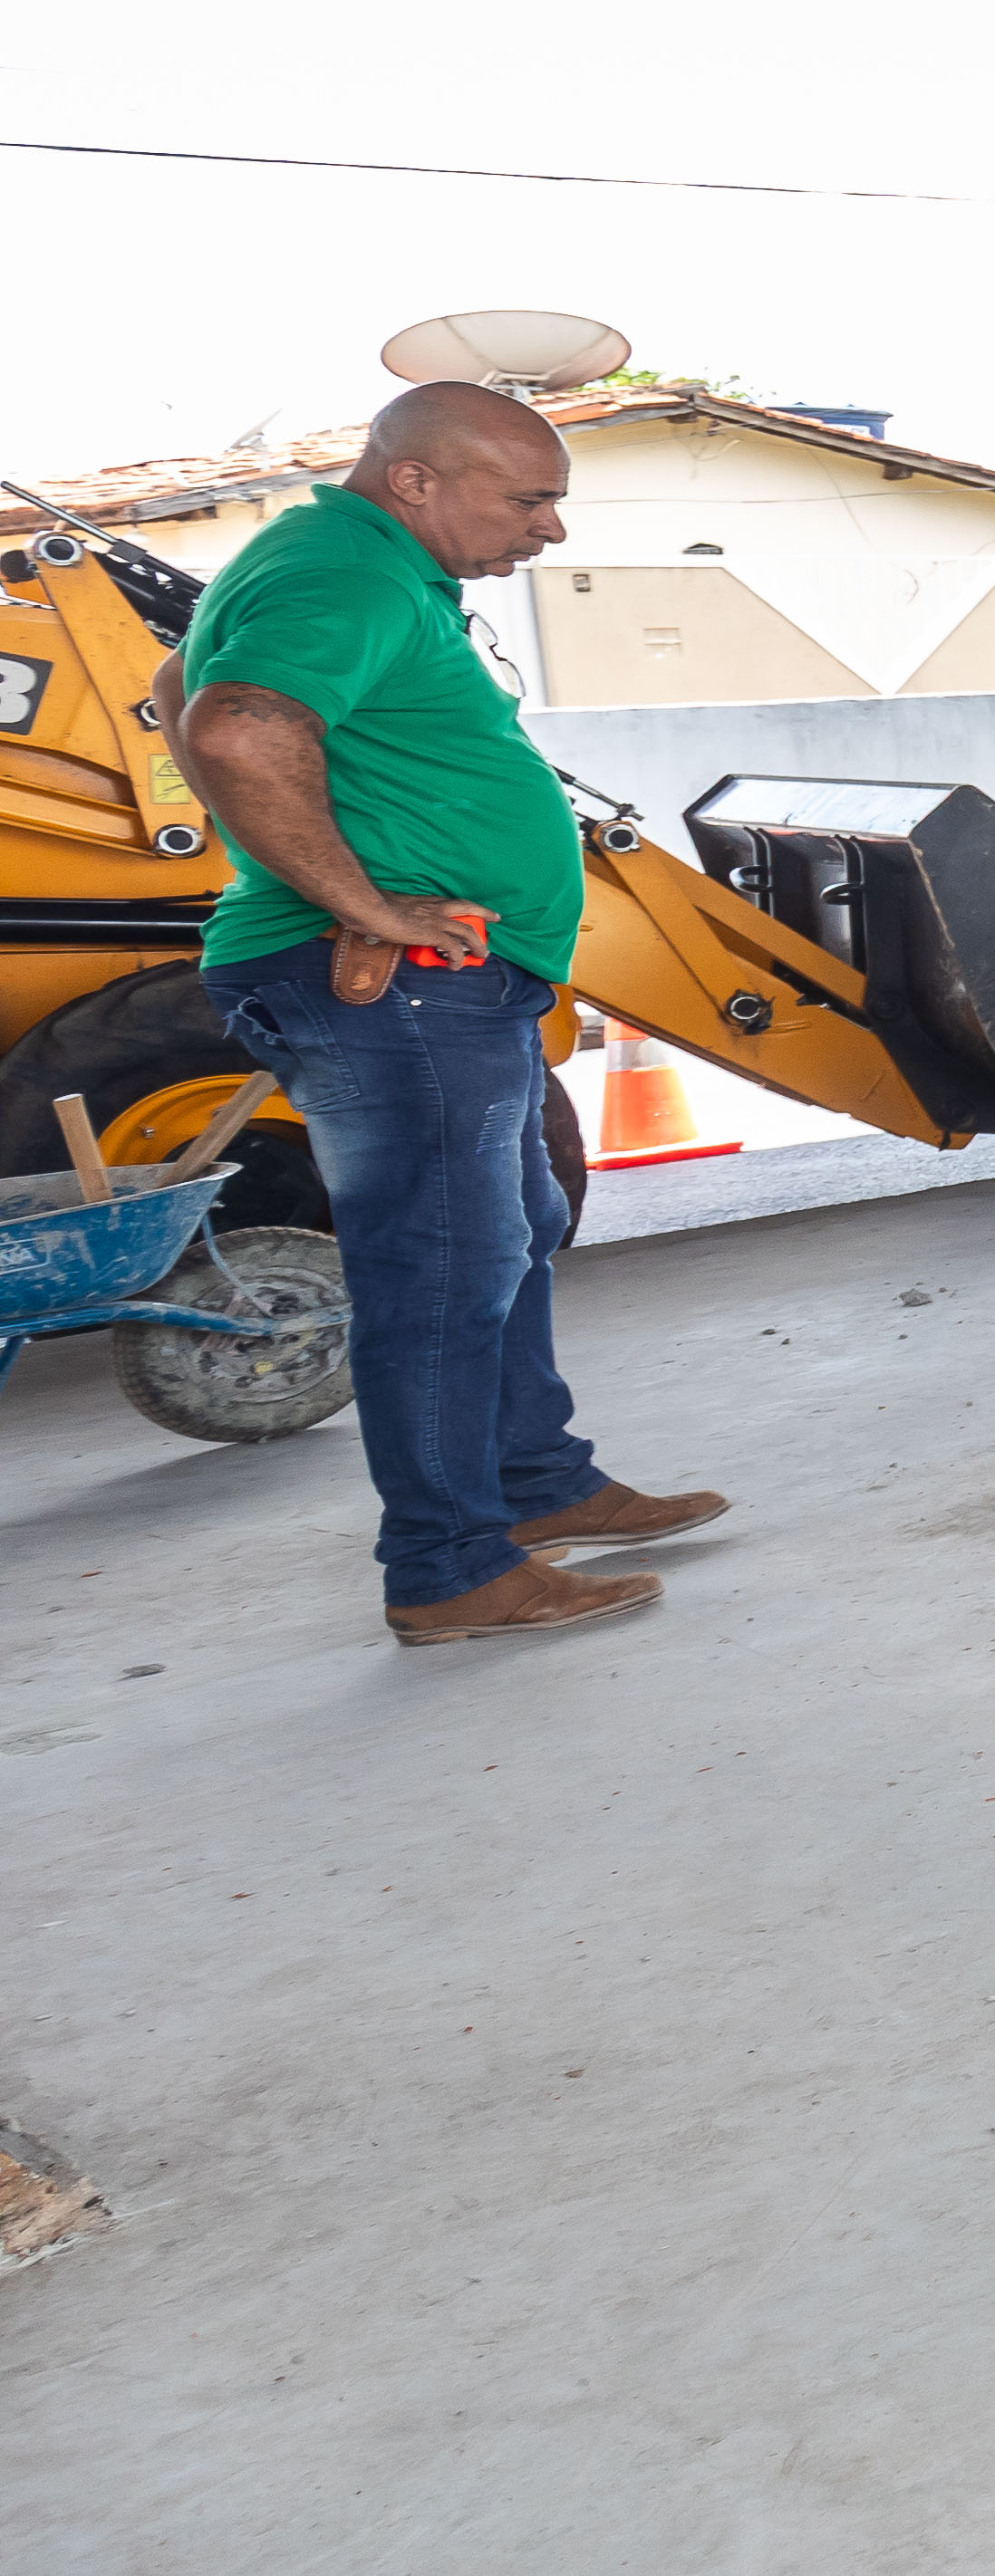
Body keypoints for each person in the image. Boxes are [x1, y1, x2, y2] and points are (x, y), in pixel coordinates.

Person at [169, 383, 720, 1649]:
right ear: (416, 479)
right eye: (530, 500)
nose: (550, 530)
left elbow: (172, 683)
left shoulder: (351, 564)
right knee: (441, 1271)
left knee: (510, 1231)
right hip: (399, 987)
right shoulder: (348, 573)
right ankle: (448, 1567)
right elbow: (235, 726)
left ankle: (533, 1484)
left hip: (442, 985)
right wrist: (361, 899)